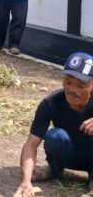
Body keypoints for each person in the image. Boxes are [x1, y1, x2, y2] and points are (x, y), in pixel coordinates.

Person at [14, 52, 93, 197]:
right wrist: (25, 182)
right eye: (68, 82)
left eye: (81, 85)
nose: (73, 90)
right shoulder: (51, 103)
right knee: (55, 136)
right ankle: (55, 169)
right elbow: (31, 144)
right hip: (68, 154)